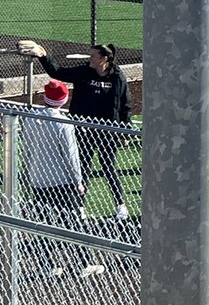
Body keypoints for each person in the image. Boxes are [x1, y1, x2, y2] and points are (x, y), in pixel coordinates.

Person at [22, 41, 133, 220]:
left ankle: (121, 206)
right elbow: (58, 72)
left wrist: (125, 130)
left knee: (108, 166)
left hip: (107, 130)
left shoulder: (117, 76)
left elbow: (125, 104)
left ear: (104, 59)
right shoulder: (84, 72)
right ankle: (80, 206)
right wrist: (43, 55)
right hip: (84, 129)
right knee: (83, 167)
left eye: (93, 56)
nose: (90, 58)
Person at [21, 80, 103, 277]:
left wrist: (28, 174)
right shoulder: (62, 124)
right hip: (62, 181)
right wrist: (78, 180)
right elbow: (70, 155)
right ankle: (83, 263)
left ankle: (46, 264)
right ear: (63, 100)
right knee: (73, 222)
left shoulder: (31, 120)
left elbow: (27, 151)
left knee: (44, 223)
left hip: (38, 178)